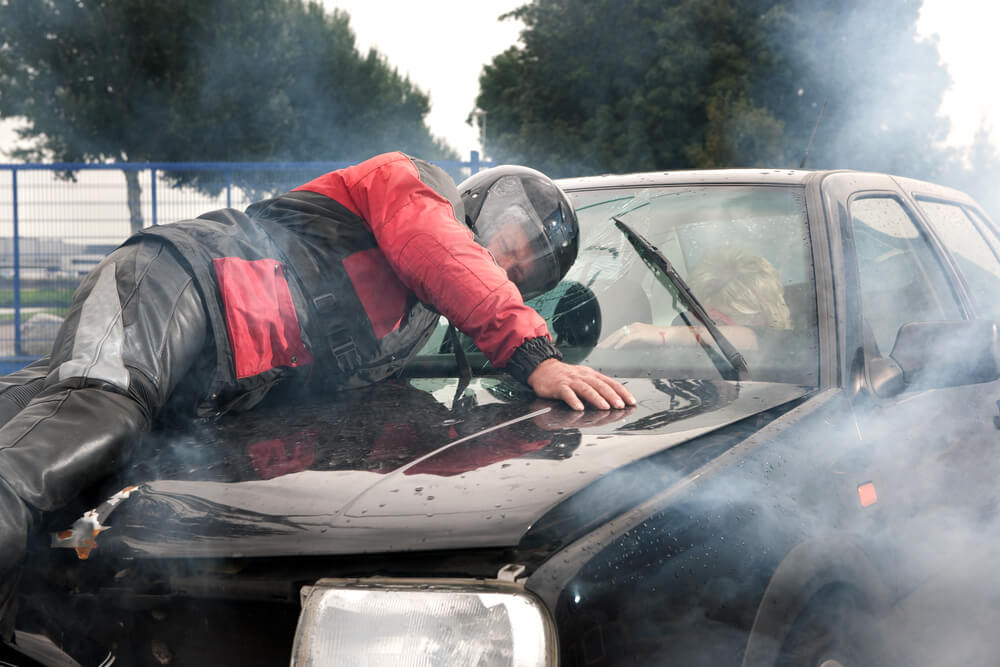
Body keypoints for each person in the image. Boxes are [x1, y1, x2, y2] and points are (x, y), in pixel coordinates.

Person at [0, 152, 634, 638]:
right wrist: (530, 352)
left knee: (38, 409)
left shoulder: (405, 328)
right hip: (182, 282)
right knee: (93, 416)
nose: (509, 263)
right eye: (514, 240)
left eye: (524, 272)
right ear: (481, 202)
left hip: (207, 385)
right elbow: (439, 250)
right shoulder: (414, 185)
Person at [598, 247, 792, 350]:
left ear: (759, 318)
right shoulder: (685, 331)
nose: (703, 327)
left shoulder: (790, 348)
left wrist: (669, 335)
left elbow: (756, 339)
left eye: (717, 321)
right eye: (699, 317)